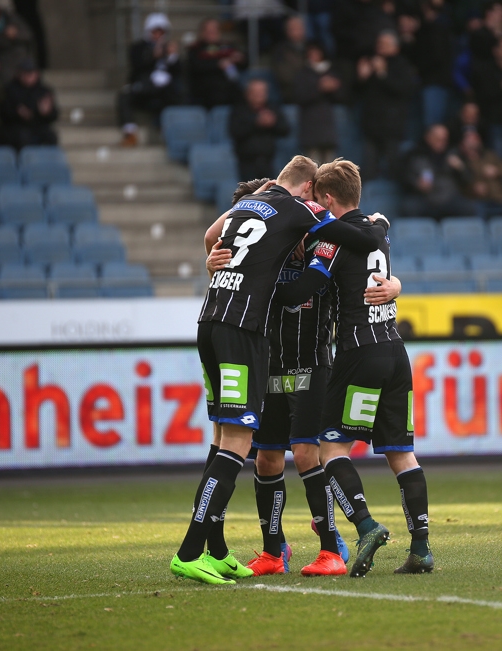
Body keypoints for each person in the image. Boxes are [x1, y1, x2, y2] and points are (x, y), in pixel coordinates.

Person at [170, 155, 386, 585]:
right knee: (252, 451)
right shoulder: (294, 216)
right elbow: (352, 239)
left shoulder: (270, 213)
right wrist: (379, 225)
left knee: (258, 445)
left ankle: (322, 546)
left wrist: (222, 260)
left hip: (270, 345)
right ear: (308, 191)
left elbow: (216, 235)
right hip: (254, 344)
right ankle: (242, 551)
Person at [271, 159, 434, 577]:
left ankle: (365, 526)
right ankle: (420, 548)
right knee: (401, 453)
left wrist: (266, 283)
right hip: (396, 351)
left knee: (331, 448)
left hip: (358, 354)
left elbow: (303, 291)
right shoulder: (379, 235)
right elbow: (377, 232)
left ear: (326, 199)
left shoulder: (333, 241)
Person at [356, 30, 418, 180]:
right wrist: (361, 78)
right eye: (379, 43)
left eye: (385, 44)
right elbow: (357, 93)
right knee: (368, 169)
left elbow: (403, 90)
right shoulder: (370, 62)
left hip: (392, 124)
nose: (380, 47)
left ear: (395, 47)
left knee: (393, 167)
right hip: (371, 124)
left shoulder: (402, 65)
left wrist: (383, 73)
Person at [117, 12, 182, 148]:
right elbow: (137, 66)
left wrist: (172, 56)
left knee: (175, 94)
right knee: (124, 96)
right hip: (143, 87)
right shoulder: (138, 47)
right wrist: (153, 56)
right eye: (154, 32)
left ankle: (164, 129)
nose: (158, 36)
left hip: (164, 92)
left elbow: (179, 72)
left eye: (161, 32)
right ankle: (130, 133)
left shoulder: (169, 47)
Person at [400, 124, 478, 219]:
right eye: (438, 138)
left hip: (449, 199)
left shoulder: (454, 154)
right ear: (428, 137)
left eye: (444, 139)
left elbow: (468, 179)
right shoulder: (414, 155)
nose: (441, 142)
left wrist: (461, 168)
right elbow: (403, 178)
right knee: (409, 207)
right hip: (424, 199)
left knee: (470, 207)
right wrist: (416, 184)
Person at [293, 42, 346, 165]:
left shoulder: (331, 72)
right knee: (312, 165)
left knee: (330, 167)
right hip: (310, 126)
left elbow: (342, 96)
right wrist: (319, 88)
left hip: (328, 126)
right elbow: (299, 96)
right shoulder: (302, 74)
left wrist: (334, 88)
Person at [228, 79, 291, 181]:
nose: (260, 95)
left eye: (262, 91)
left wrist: (273, 123)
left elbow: (285, 130)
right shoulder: (239, 110)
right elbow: (234, 132)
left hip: (269, 161)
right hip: (247, 162)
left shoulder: (273, 108)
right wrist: (256, 123)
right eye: (256, 92)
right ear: (248, 93)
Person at [457, 129, 502, 217]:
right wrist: (473, 188)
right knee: (474, 210)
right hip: (480, 201)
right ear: (462, 144)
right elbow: (461, 185)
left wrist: (497, 170)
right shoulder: (460, 162)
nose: (473, 143)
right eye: (469, 140)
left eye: (475, 139)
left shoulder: (489, 155)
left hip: (500, 198)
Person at [0, 58, 58, 150]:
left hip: (38, 125)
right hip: (17, 126)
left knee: (51, 136)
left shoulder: (44, 91)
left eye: (31, 73)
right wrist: (18, 114)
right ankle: (24, 162)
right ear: (19, 74)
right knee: (22, 137)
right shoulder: (10, 89)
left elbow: (54, 115)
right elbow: (3, 112)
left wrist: (47, 113)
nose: (28, 77)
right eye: (25, 73)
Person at [186, 18, 244, 109]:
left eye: (215, 29)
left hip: (229, 87)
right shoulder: (195, 49)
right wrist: (218, 64)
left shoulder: (228, 46)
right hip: (206, 89)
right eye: (209, 30)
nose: (212, 32)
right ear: (202, 32)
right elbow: (195, 66)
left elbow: (244, 63)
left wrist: (239, 58)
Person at [0, 2, 34, 85]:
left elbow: (28, 35)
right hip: (3, 69)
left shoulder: (11, 18)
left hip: (20, 62)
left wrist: (16, 34)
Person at [271, 15, 308, 104]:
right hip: (291, 94)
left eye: (299, 28)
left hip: (314, 93)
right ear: (287, 31)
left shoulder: (313, 47)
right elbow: (284, 76)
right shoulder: (280, 50)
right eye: (293, 29)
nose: (297, 32)